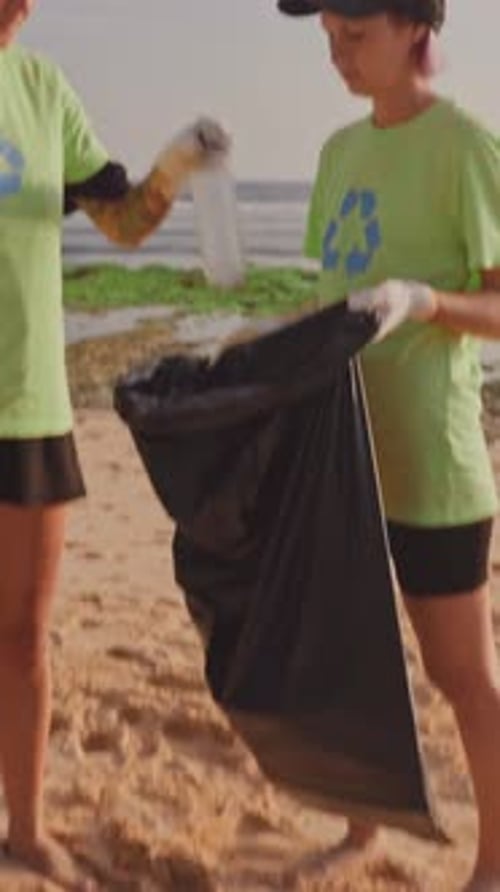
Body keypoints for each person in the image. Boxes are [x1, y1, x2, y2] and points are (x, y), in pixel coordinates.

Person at [0, 1, 229, 887]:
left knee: (23, 637)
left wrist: (175, 163)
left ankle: (24, 823)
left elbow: (124, 224)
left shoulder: (42, 87)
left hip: (29, 405)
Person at [278, 1, 500, 890]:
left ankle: (495, 857)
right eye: (328, 36)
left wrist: (430, 302)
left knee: (460, 674)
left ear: (415, 28)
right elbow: (327, 302)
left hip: (434, 470)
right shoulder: (338, 154)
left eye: (353, 34)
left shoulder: (466, 148)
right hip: (343, 463)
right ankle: (362, 829)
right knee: (354, 659)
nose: (336, 53)